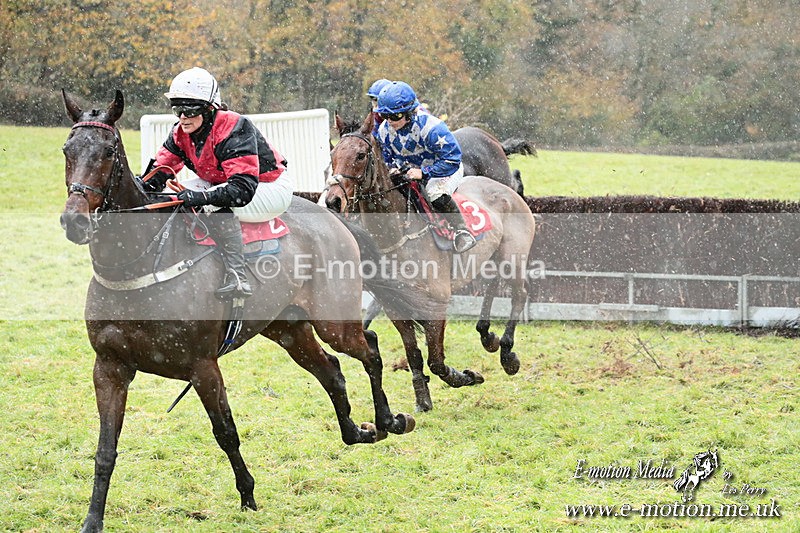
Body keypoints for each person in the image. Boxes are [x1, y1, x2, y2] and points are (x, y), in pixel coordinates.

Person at [141, 67, 294, 299]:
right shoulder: (179, 133)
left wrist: (202, 198)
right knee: (172, 200)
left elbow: (241, 191)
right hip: (224, 182)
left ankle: (237, 276)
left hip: (268, 187)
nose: (182, 117)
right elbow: (157, 175)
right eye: (177, 109)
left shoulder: (235, 127)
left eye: (189, 110)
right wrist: (135, 186)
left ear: (209, 109)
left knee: (209, 204)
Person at [375, 81, 476, 253]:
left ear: (409, 113)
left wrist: (424, 173)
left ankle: (462, 231)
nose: (390, 121)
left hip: (445, 168)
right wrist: (392, 169)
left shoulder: (432, 128)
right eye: (385, 116)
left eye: (395, 116)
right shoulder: (384, 131)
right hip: (412, 171)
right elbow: (387, 158)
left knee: (434, 193)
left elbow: (452, 159)